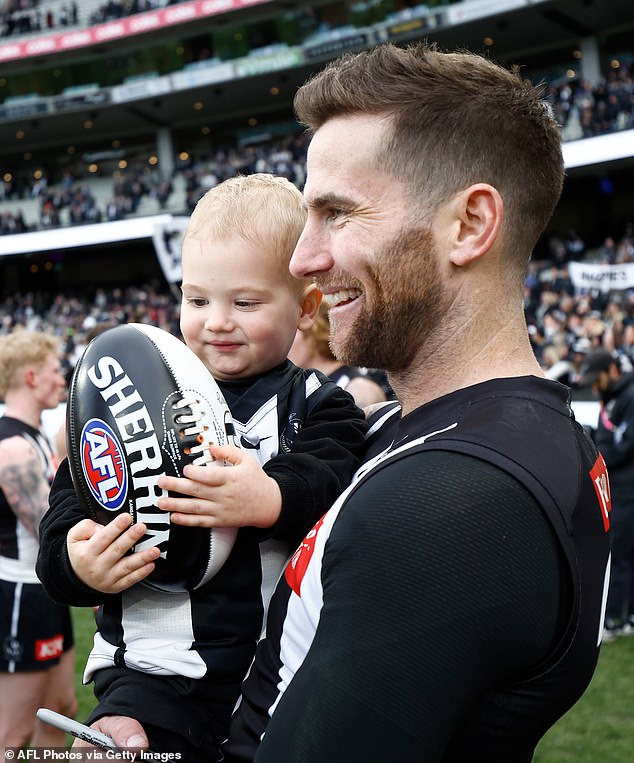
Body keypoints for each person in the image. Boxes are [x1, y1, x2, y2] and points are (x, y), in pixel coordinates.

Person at [69, 42, 611, 762]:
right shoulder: (453, 434)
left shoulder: (454, 500)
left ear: (470, 225)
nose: (302, 259)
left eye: (337, 213)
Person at [36, 174, 368, 760]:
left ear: (306, 306)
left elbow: (336, 489)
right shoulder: (130, 395)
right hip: (154, 673)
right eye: (197, 300)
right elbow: (68, 505)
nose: (216, 321)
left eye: (245, 302)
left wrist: (269, 498)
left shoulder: (320, 403)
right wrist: (76, 562)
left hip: (278, 669)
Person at [0, 330, 77, 755]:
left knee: (62, 707)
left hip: (47, 593)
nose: (61, 378)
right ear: (30, 377)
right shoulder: (12, 446)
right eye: (54, 370)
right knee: (13, 735)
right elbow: (47, 530)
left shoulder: (34, 435)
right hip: (21, 598)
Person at [578, 348, 634, 641]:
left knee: (621, 555)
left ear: (611, 370)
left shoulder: (629, 396)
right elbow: (606, 440)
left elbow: (624, 447)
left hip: (628, 490)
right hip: (619, 488)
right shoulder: (611, 399)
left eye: (596, 378)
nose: (593, 386)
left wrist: (601, 452)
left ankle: (614, 619)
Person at [288, 302, 391, 407]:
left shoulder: (359, 389)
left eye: (292, 331)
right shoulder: (297, 386)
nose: (284, 342)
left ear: (316, 330)